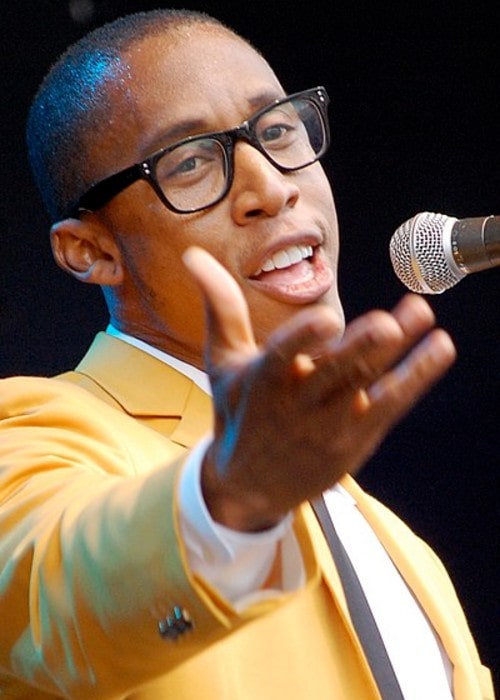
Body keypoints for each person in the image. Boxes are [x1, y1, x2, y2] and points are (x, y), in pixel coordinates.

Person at [0, 8, 494, 700]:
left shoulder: (405, 551)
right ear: (93, 251)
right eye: (192, 161)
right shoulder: (31, 435)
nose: (271, 186)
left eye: (279, 130)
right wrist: (232, 500)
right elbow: (61, 597)